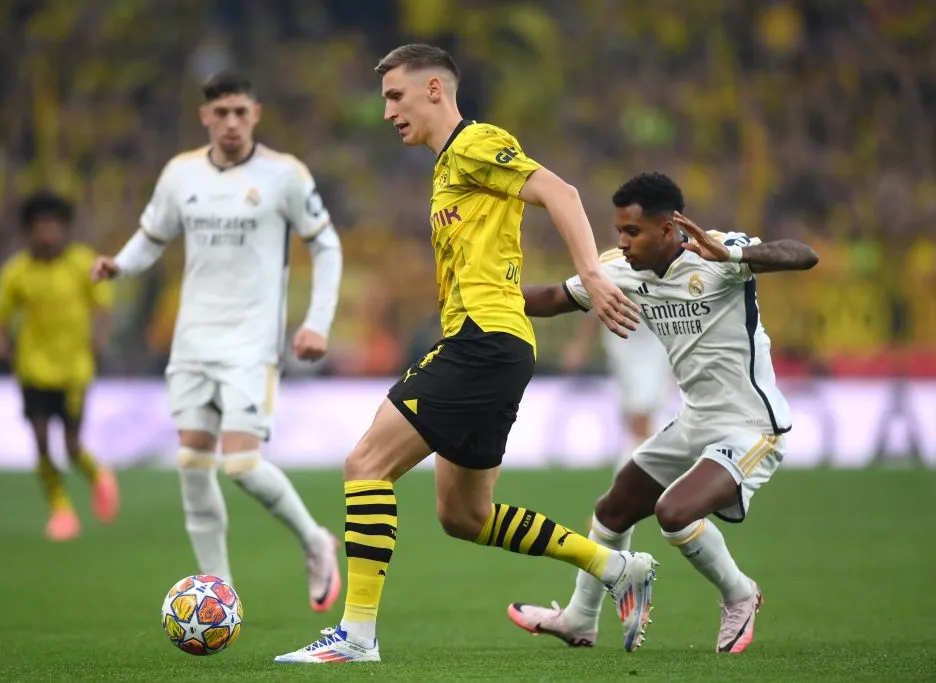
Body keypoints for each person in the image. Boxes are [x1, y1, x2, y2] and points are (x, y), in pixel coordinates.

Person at [274, 44, 658, 665]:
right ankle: (615, 567)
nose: (387, 112)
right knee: (464, 514)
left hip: (482, 342)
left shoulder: (476, 143)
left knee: (365, 465)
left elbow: (561, 192)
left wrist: (591, 274)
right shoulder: (448, 168)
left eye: (395, 96)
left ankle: (357, 636)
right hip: (495, 344)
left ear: (434, 90)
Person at [507, 172, 819, 653]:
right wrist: (486, 295)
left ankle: (739, 593)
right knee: (612, 511)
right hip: (694, 421)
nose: (622, 242)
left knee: (673, 513)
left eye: (632, 231)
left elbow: (803, 254)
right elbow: (553, 298)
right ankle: (580, 619)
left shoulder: (717, 255)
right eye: (619, 231)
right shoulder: (619, 269)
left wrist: (733, 256)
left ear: (669, 228)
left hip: (752, 426)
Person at [91, 70, 343, 612]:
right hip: (191, 342)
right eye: (221, 112)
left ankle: (315, 541)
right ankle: (218, 597)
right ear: (205, 116)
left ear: (256, 114)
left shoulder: (284, 175)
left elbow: (327, 246)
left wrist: (317, 321)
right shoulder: (180, 173)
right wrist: (120, 264)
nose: (231, 122)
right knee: (191, 463)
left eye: (240, 112)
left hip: (251, 344)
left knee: (242, 465)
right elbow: (153, 235)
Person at [0, 191, 119, 542]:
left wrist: (99, 339)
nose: (47, 232)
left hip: (74, 369)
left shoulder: (82, 263)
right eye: (40, 225)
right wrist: (0, 343)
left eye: (53, 224)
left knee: (72, 445)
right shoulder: (17, 271)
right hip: (33, 369)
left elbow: (103, 305)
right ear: (29, 230)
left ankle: (98, 475)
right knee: (42, 441)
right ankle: (61, 510)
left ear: (63, 228)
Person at [560, 309, 675, 465]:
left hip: (653, 344)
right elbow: (593, 303)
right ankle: (653, 466)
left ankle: (648, 470)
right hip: (621, 347)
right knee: (633, 416)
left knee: (641, 415)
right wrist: (580, 344)